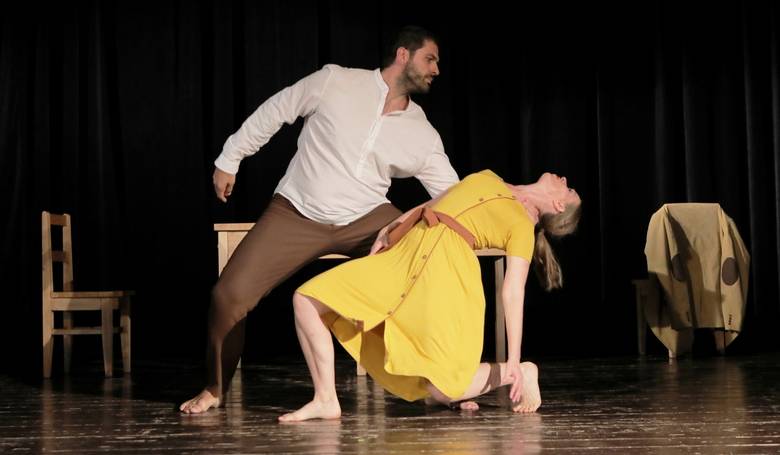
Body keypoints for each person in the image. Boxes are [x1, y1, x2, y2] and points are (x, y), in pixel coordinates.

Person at [179, 26, 459, 414]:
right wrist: (230, 157)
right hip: (297, 211)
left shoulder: (421, 131)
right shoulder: (336, 81)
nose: (436, 70)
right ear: (402, 55)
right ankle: (215, 387)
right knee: (228, 296)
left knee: (427, 265)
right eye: (430, 59)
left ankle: (442, 383)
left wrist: (500, 215)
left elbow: (452, 192)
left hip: (368, 219)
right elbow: (277, 109)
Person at [277, 169, 582, 422]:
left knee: (443, 388)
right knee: (307, 298)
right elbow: (434, 202)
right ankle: (326, 398)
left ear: (558, 206)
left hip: (446, 274)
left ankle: (520, 372)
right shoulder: (491, 177)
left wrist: (514, 358)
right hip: (408, 253)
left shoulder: (522, 227)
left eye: (568, 190)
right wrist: (392, 227)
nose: (565, 180)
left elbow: (513, 290)